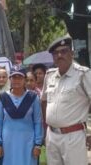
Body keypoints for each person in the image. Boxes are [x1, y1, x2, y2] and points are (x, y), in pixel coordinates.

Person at [41, 36, 91, 165]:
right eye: (55, 53)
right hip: (51, 135)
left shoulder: (82, 74)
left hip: (73, 136)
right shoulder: (50, 75)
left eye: (64, 51)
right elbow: (44, 101)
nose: (59, 55)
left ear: (72, 53)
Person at [0, 67, 43, 165]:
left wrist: (38, 144)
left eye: (19, 78)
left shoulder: (33, 97)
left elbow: (38, 122)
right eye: (14, 77)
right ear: (10, 79)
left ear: (24, 79)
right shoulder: (3, 97)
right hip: (8, 143)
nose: (16, 80)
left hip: (28, 143)